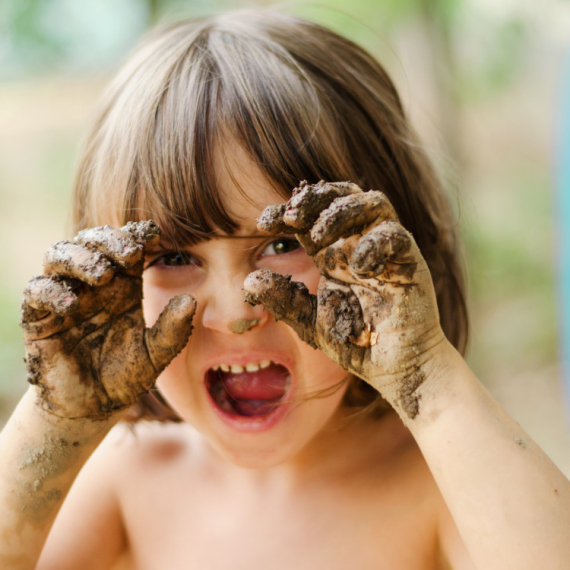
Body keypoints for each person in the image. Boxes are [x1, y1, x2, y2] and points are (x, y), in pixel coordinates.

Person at [1, 10, 569, 570]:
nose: (234, 314)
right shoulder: (128, 481)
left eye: (282, 245)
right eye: (174, 258)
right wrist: (55, 422)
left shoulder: (444, 488)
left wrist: (430, 382)